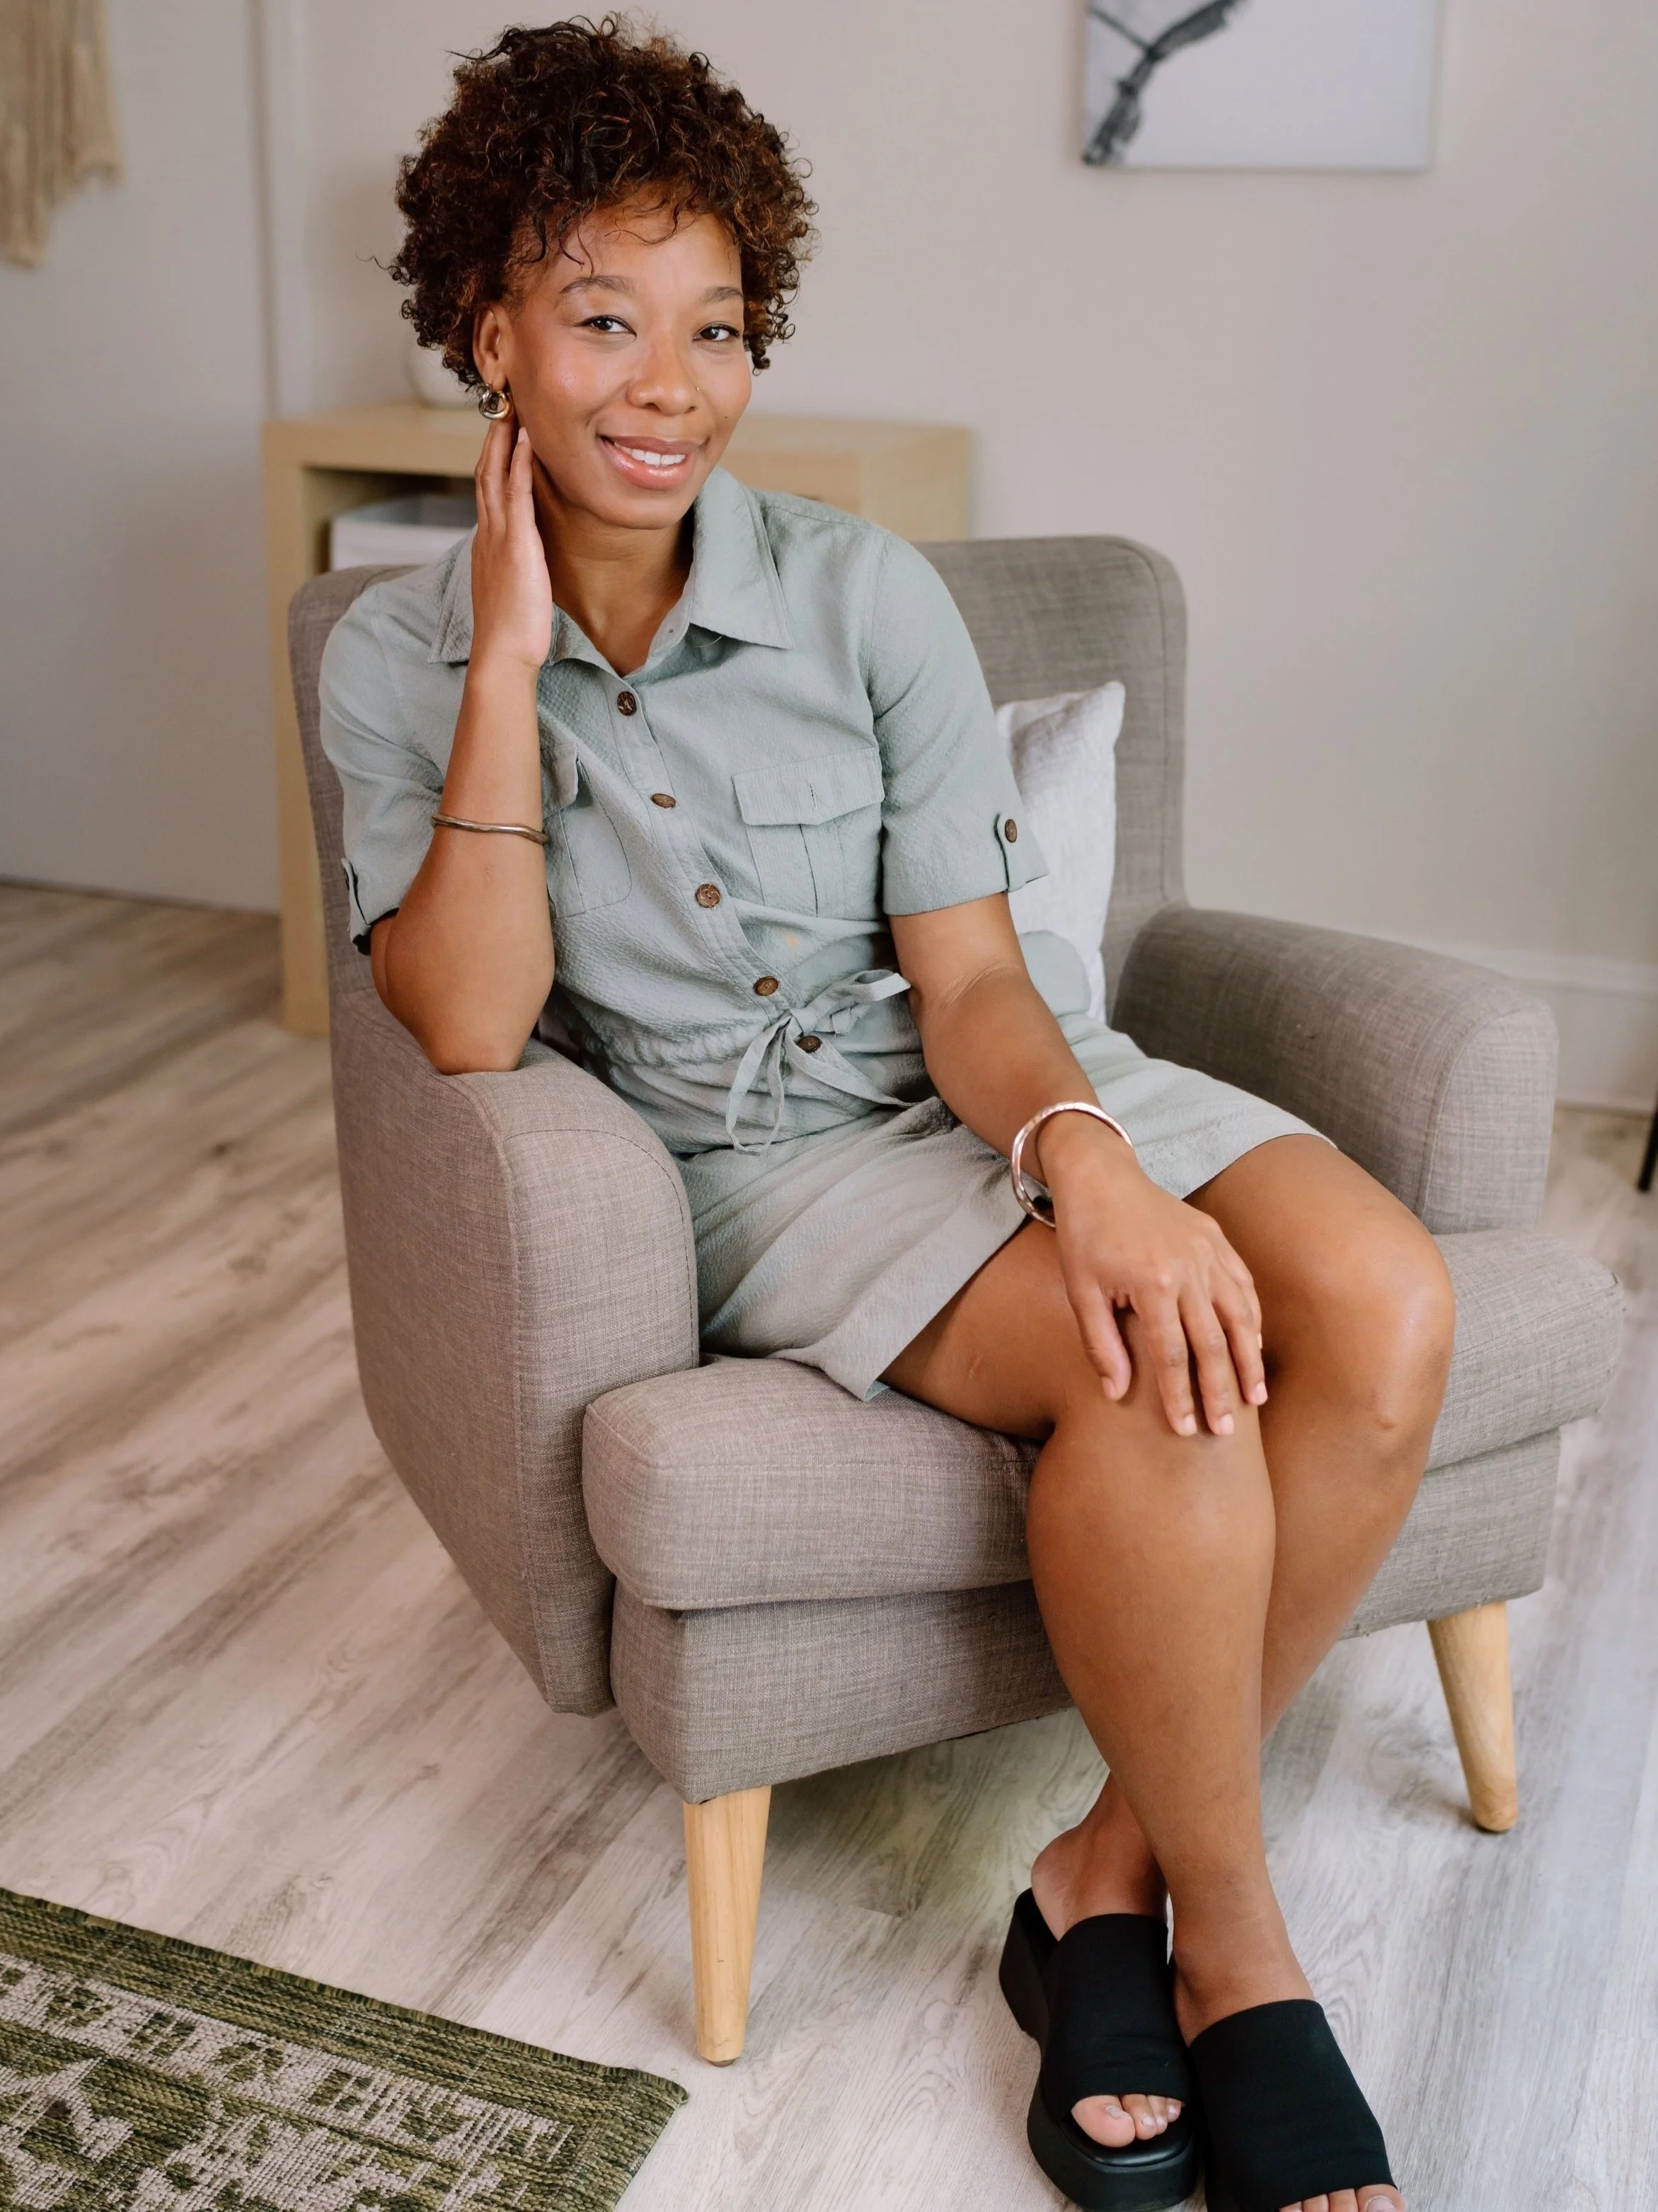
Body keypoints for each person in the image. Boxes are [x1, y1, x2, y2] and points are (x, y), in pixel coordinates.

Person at [321, 21, 1451, 2212]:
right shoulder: (397, 659)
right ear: (492, 334)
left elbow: (970, 981)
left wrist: (1090, 1162)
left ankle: (1094, 1877)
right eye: (602, 318)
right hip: (770, 1169)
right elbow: (465, 1023)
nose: (668, 383)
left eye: (716, 325)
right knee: (1165, 1373)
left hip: (990, 1088)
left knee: (1385, 1305)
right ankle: (1239, 1953)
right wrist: (495, 657)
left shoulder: (864, 595)